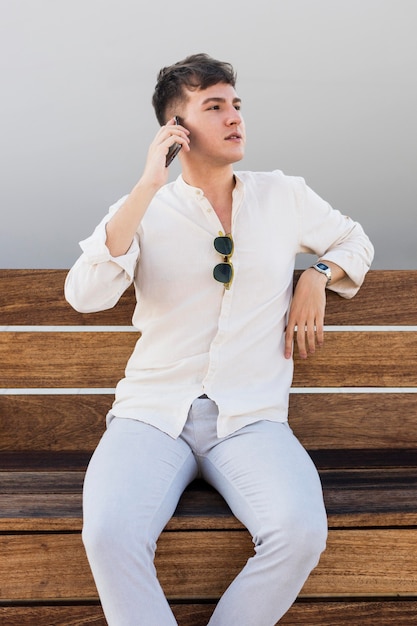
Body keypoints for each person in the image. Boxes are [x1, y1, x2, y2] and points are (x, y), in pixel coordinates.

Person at [65, 53, 374, 626]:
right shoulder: (145, 207)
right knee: (109, 533)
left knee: (300, 532)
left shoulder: (282, 194)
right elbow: (85, 293)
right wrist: (145, 185)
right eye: (214, 106)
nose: (235, 117)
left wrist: (318, 275)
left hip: (251, 417)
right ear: (176, 130)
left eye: (236, 104)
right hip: (152, 415)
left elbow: (354, 241)